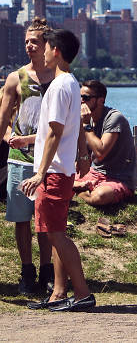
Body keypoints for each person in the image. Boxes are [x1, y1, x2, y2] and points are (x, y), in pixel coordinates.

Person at [23, 29, 95, 311]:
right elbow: (51, 132)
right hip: (58, 170)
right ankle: (60, 293)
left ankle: (82, 293)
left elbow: (54, 132)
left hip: (53, 172)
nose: (42, 51)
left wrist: (40, 172)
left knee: (56, 235)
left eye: (47, 46)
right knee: (55, 233)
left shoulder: (60, 85)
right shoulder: (68, 84)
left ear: (57, 51)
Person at [0, 17, 55, 295]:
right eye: (26, 41)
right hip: (19, 159)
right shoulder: (15, 78)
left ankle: (47, 270)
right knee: (21, 218)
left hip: (49, 161)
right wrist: (8, 135)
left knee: (45, 220)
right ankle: (26, 270)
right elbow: (4, 117)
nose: (29, 46)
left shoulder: (59, 78)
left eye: (35, 41)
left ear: (48, 44)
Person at [74, 80, 137, 207]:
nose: (81, 100)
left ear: (100, 100)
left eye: (85, 97)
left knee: (99, 197)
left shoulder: (114, 118)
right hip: (95, 174)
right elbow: (84, 156)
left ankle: (80, 191)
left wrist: (86, 125)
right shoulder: (87, 118)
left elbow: (100, 152)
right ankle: (80, 188)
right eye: (79, 96)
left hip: (119, 178)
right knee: (57, 180)